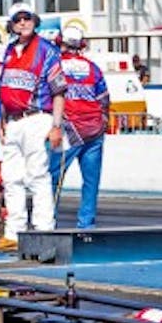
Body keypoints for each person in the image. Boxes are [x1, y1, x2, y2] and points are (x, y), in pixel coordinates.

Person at [0, 2, 66, 253]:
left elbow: (59, 90)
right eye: (18, 19)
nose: (23, 22)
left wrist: (56, 125)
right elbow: (3, 91)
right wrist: (1, 122)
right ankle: (13, 232)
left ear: (35, 20)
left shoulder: (47, 50)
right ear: (11, 24)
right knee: (11, 178)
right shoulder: (9, 51)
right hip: (12, 121)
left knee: (37, 176)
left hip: (36, 118)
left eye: (27, 18)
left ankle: (44, 231)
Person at [50, 26, 110, 229]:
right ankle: (87, 223)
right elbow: (104, 99)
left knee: (54, 179)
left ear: (61, 43)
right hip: (94, 129)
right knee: (91, 181)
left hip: (69, 130)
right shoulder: (93, 68)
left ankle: (49, 221)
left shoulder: (55, 65)